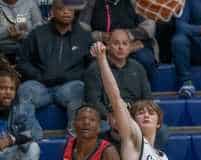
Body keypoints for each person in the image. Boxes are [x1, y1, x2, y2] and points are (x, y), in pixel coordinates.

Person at [16, 0, 92, 133]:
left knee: (80, 88)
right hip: (41, 86)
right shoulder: (37, 34)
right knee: (25, 90)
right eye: (61, 8)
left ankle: (74, 135)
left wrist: (74, 76)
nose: (66, 12)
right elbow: (23, 61)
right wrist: (38, 76)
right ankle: (31, 136)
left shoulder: (84, 36)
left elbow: (91, 66)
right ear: (52, 11)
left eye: (70, 9)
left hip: (69, 87)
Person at [90, 41, 168, 160]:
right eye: (141, 113)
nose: (146, 115)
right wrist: (102, 60)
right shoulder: (133, 140)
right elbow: (115, 98)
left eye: (151, 113)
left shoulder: (162, 156)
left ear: (158, 123)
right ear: (133, 121)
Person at [85, 29, 152, 118]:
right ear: (108, 46)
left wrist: (138, 115)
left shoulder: (138, 67)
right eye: (116, 43)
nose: (121, 47)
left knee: (161, 130)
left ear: (130, 47)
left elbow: (147, 98)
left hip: (135, 115)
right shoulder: (95, 68)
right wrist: (109, 117)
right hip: (107, 117)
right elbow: (93, 101)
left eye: (125, 44)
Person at [89, 0, 159, 80]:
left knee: (145, 58)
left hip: (135, 44)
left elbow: (149, 27)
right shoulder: (92, 3)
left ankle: (143, 89)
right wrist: (102, 36)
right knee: (93, 61)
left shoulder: (136, 2)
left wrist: (127, 36)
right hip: (105, 46)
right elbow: (84, 29)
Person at [0, 56, 40, 160]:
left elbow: (36, 132)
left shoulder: (23, 107)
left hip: (11, 152)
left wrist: (11, 139)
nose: (8, 92)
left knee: (33, 147)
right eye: (3, 88)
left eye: (12, 89)